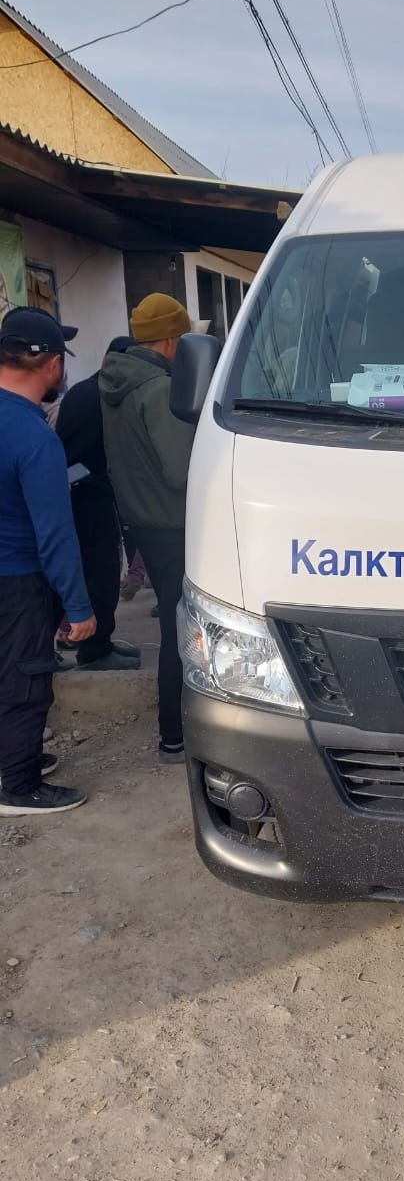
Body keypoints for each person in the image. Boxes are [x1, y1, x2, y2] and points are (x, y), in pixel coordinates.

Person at [0, 308, 96, 815]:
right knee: (25, 681)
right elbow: (55, 534)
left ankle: (11, 759)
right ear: (53, 364)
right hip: (18, 580)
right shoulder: (35, 437)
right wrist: (79, 607)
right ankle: (18, 785)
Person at [100, 294, 195, 765]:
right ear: (172, 340)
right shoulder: (158, 389)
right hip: (173, 522)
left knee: (174, 622)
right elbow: (180, 469)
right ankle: (174, 735)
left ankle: (173, 733)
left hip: (141, 519)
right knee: (183, 630)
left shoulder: (113, 382)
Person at [56, 337, 142, 672]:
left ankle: (100, 643)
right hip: (87, 498)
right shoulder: (98, 397)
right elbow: (73, 461)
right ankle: (94, 651)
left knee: (101, 573)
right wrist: (97, 477)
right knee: (101, 575)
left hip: (85, 495)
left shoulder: (86, 391)